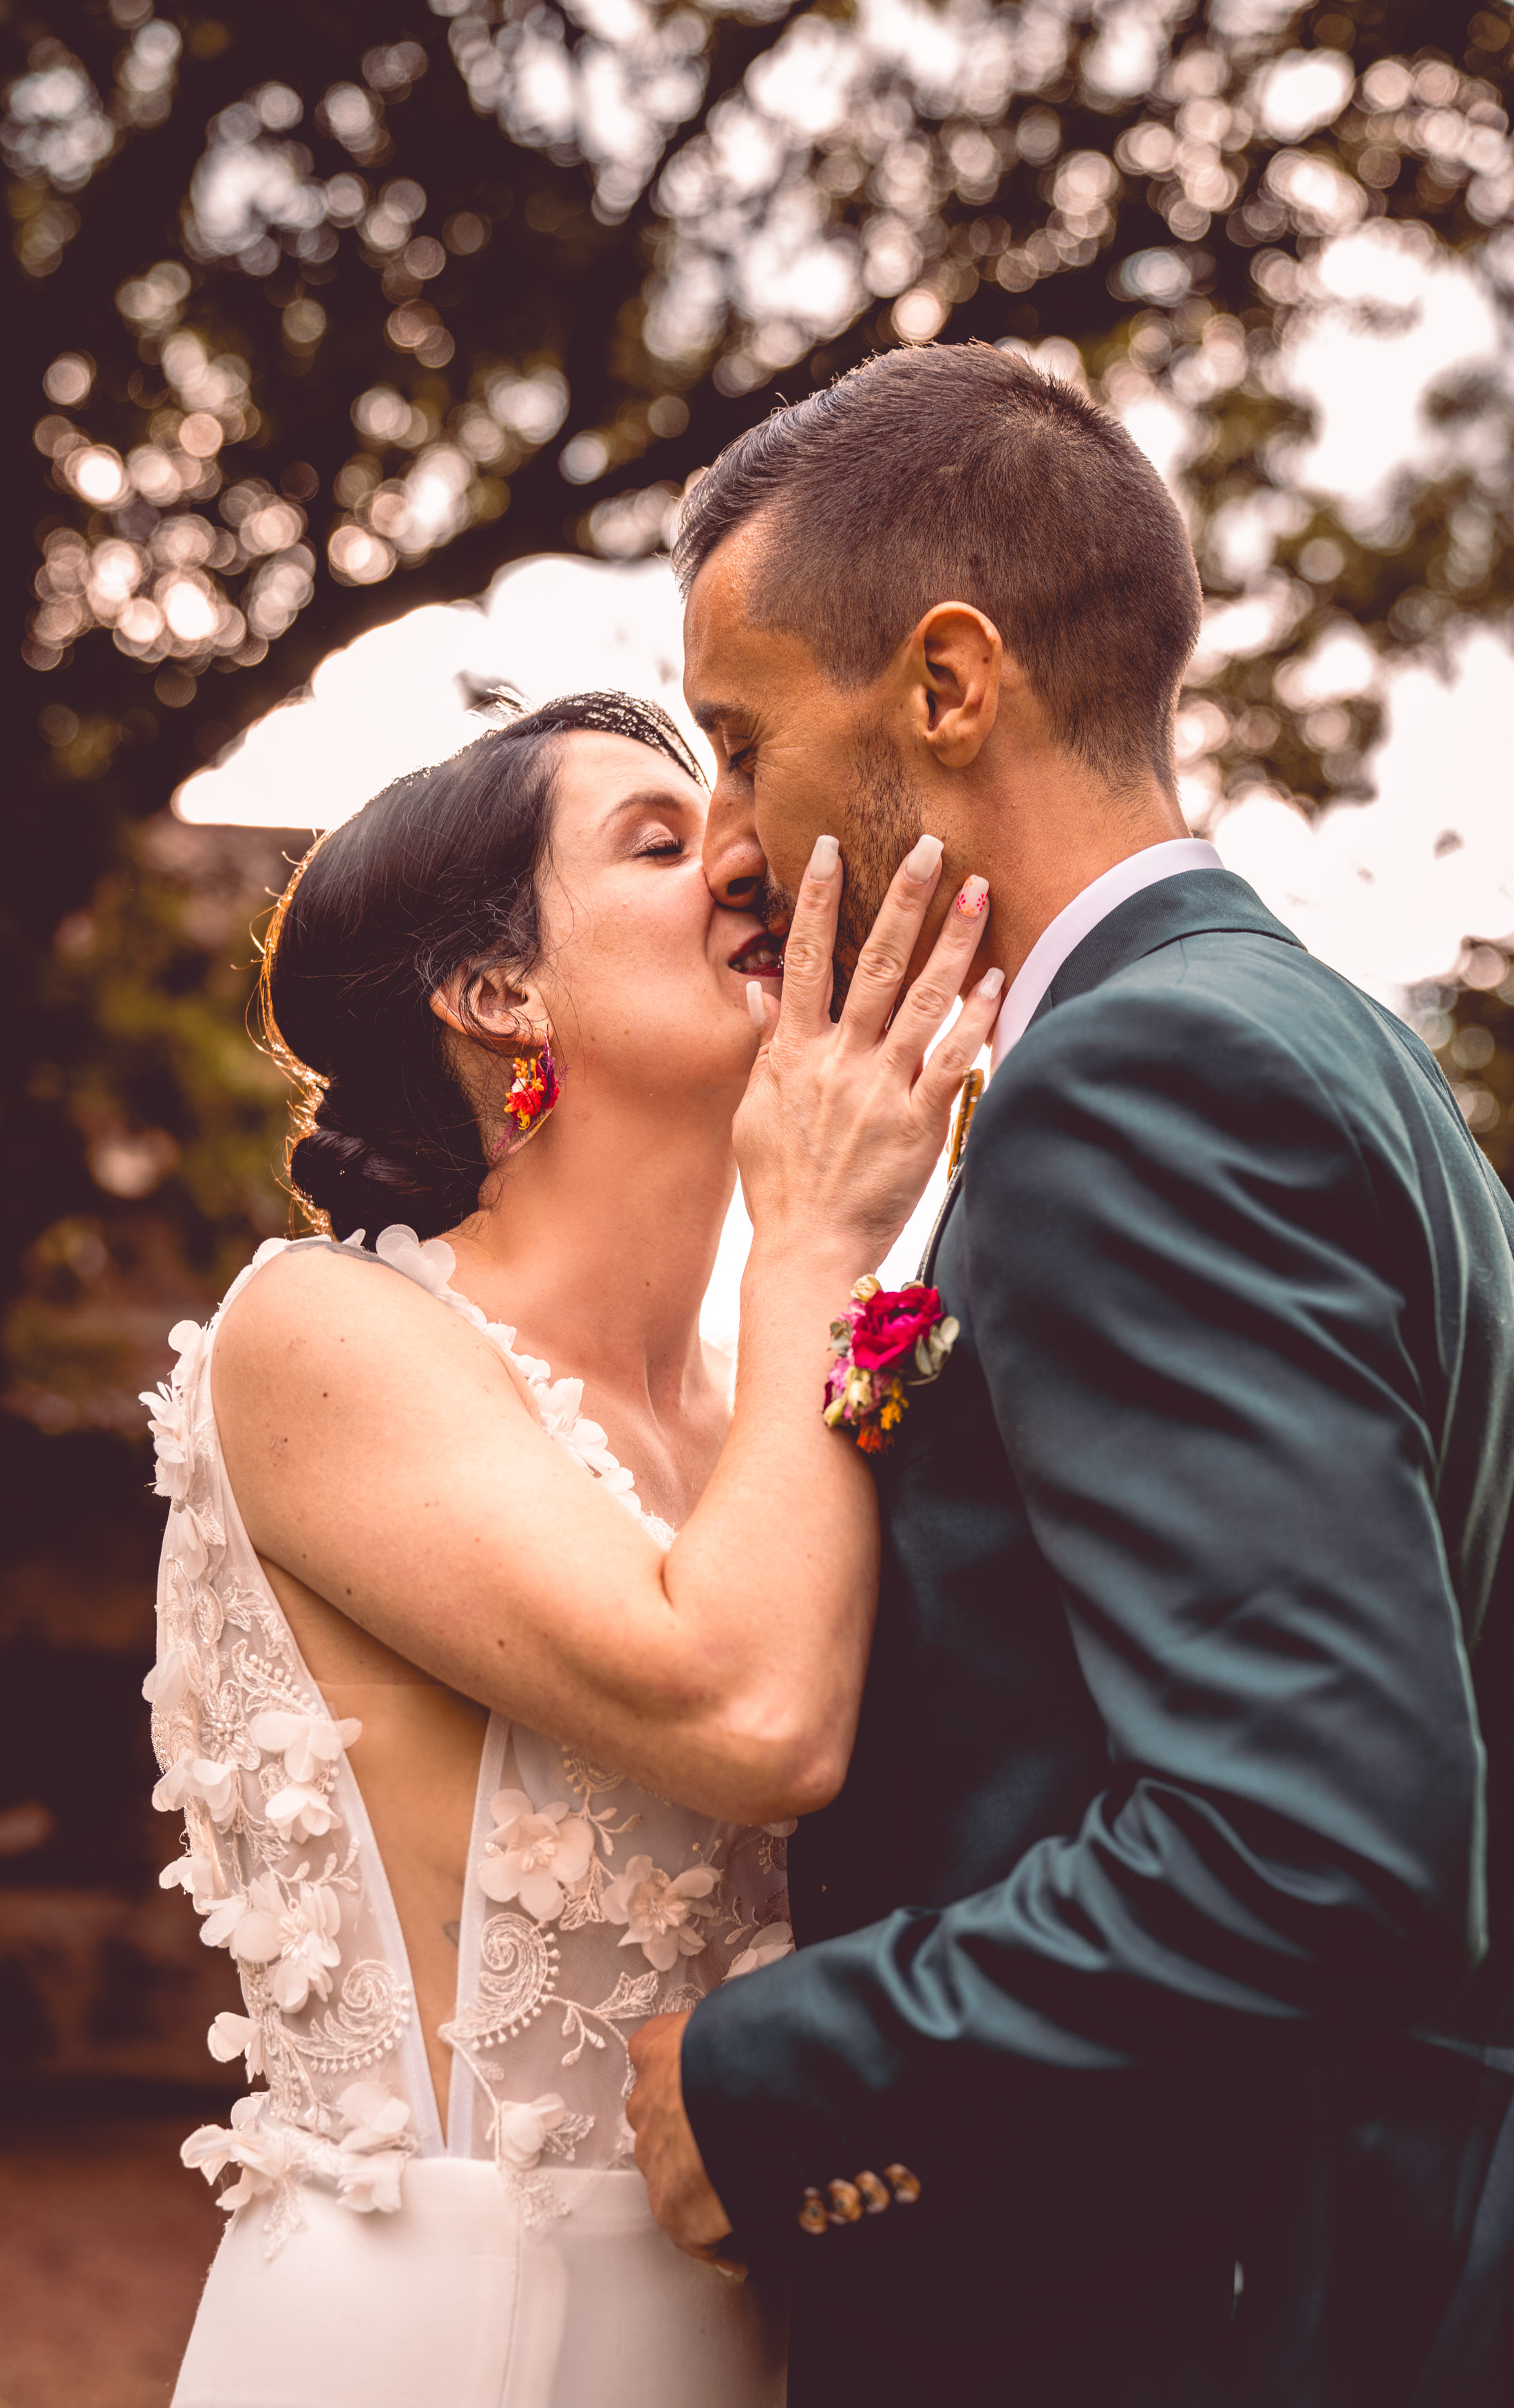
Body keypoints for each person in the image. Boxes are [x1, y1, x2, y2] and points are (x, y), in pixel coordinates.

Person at [626, 343, 1514, 2407]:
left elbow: (1307, 1844)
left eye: (740, 740)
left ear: (946, 683)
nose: (725, 840)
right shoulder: (1318, 1038)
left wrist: (776, 2070)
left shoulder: (1135, 1080)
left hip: (1217, 2318)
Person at [143, 689, 1002, 2408]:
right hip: (435, 2348)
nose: (745, 862)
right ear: (497, 992)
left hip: (752, 2343)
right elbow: (753, 1717)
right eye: (660, 842)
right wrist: (820, 1229)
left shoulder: (774, 1403)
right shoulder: (322, 1333)